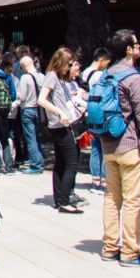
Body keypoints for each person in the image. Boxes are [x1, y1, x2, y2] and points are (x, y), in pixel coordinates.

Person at [98, 29, 140, 268]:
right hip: (131, 144)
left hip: (108, 144)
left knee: (112, 197)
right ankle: (131, 251)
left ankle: (109, 246)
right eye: (136, 44)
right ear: (128, 50)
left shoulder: (105, 75)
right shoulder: (135, 78)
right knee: (133, 200)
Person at [39, 47, 86, 213]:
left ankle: (60, 199)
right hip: (61, 124)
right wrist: (59, 112)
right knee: (71, 163)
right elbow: (41, 100)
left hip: (62, 124)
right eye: (69, 64)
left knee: (61, 162)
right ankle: (64, 200)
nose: (70, 67)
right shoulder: (52, 76)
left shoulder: (58, 78)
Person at [83, 48, 112, 194]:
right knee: (105, 148)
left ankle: (95, 181)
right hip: (101, 114)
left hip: (90, 114)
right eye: (107, 62)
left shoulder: (85, 72)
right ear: (101, 60)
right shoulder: (100, 75)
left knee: (95, 148)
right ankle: (104, 181)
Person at [15, 56, 45, 174]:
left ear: (22, 66)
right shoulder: (42, 76)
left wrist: (16, 96)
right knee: (37, 137)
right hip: (39, 110)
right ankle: (40, 160)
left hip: (27, 109)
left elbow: (22, 96)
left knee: (30, 138)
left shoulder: (24, 77)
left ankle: (36, 165)